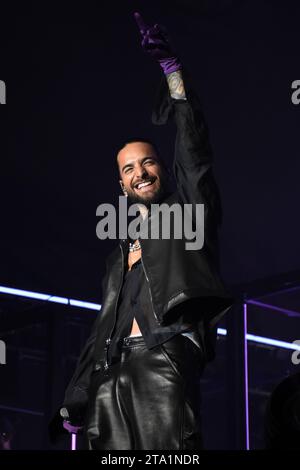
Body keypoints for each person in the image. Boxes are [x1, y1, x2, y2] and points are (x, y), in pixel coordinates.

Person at [51, 12, 233, 450]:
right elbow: (101, 325)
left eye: (148, 162)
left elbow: (193, 147)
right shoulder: (120, 251)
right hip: (109, 373)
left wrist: (172, 71)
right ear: (121, 184)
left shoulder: (189, 213)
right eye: (128, 168)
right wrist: (76, 395)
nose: (140, 172)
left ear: (163, 170)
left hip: (164, 356)